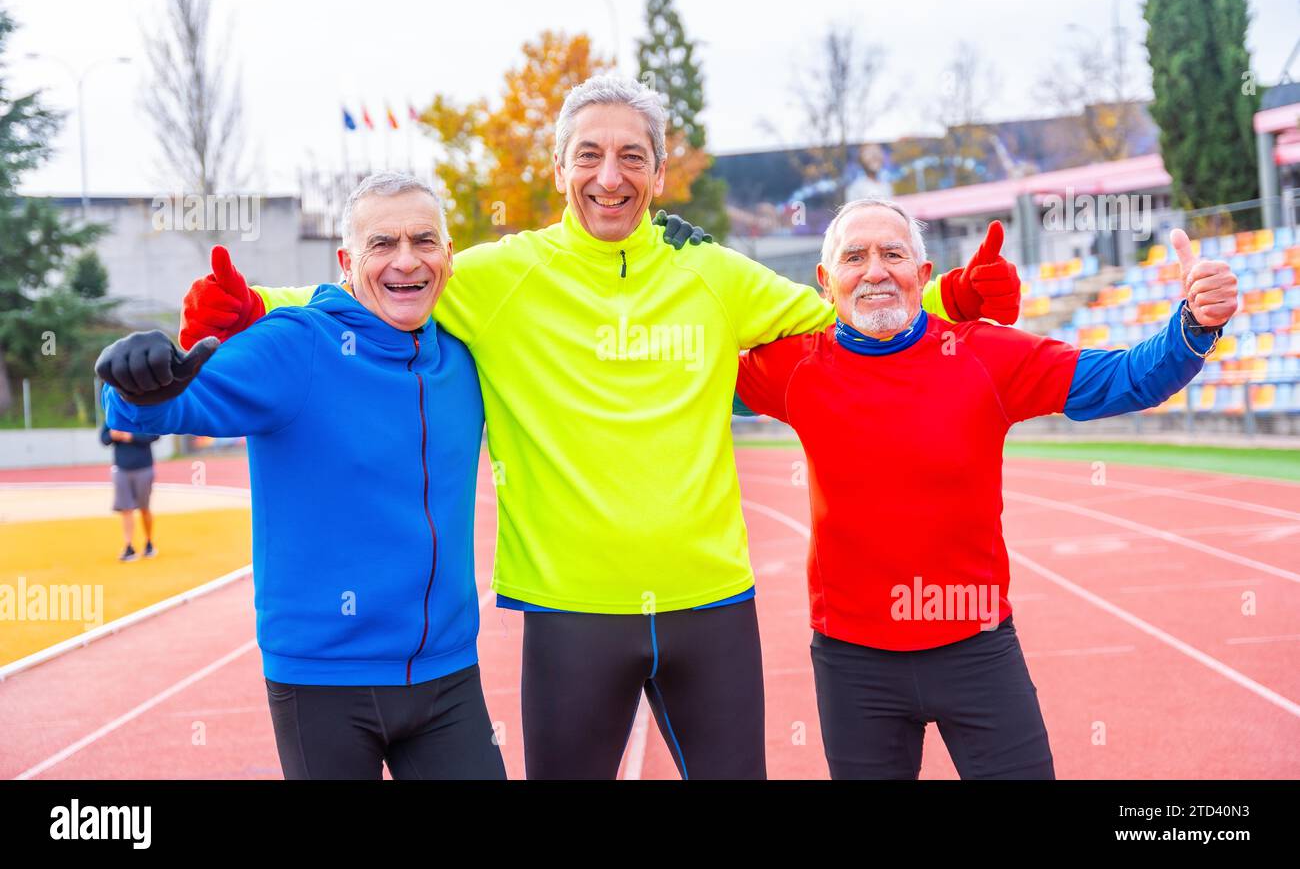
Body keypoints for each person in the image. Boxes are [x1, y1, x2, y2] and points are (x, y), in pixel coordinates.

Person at [176, 75, 1021, 779]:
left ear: (659, 175)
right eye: (590, 154)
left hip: (710, 604)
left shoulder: (713, 273)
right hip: (568, 612)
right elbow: (383, 288)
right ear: (558, 169)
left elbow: (848, 318)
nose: (609, 175)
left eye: (632, 157)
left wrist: (952, 301)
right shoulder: (498, 276)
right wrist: (253, 308)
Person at [735, 197, 1239, 779]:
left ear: (921, 275)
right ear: (827, 282)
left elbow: (1123, 381)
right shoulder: (793, 367)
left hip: (977, 649)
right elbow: (686, 384)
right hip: (854, 662)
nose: (875, 271)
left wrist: (1195, 325)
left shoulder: (983, 354)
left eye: (893, 254)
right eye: (855, 257)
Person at [96, 173, 505, 780]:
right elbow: (179, 399)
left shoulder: (466, 356)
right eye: (382, 244)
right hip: (324, 681)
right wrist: (134, 384)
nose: (406, 261)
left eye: (424, 241)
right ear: (346, 262)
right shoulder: (298, 345)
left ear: (448, 257)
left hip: (448, 675)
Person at [100, 423, 160, 561]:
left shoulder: (143, 412)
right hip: (121, 468)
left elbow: (155, 435)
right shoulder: (114, 414)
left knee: (144, 508)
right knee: (126, 509)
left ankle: (149, 541)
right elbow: (104, 439)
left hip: (143, 467)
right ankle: (129, 546)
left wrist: (131, 436)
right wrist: (112, 435)